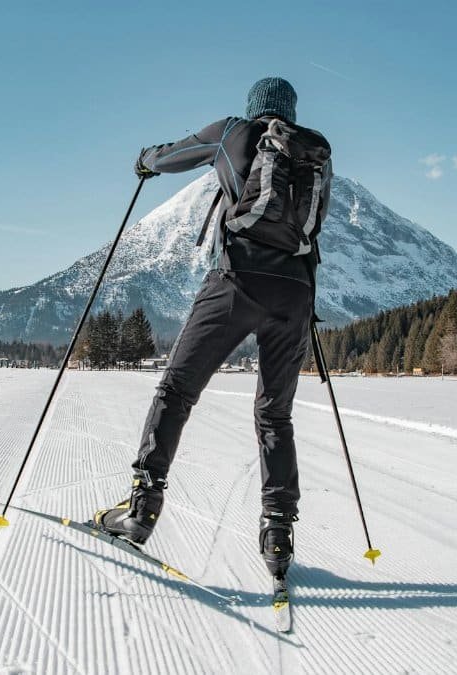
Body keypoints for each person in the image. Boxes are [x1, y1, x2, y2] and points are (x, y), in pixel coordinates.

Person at [94, 77, 333, 580]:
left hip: (237, 283)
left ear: (254, 108)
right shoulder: (311, 156)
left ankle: (141, 508)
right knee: (275, 416)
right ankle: (277, 533)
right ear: (290, 112)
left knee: (176, 390)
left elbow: (172, 155)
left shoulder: (233, 133)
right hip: (294, 294)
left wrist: (145, 160)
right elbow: (311, 238)